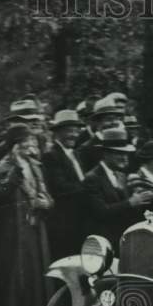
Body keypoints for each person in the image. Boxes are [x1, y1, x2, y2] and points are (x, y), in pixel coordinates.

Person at [0, 123, 54, 306]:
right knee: (17, 283)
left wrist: (46, 203)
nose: (30, 146)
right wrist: (15, 170)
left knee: (35, 281)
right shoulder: (4, 166)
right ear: (14, 144)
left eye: (31, 141)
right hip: (14, 234)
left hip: (35, 230)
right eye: (24, 141)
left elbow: (46, 195)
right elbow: (0, 194)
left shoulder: (35, 166)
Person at [82, 127, 153, 254]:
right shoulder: (92, 178)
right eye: (119, 153)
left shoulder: (122, 175)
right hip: (104, 244)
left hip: (124, 240)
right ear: (106, 154)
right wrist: (131, 202)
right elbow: (100, 212)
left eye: (126, 154)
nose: (125, 158)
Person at [41, 109, 89, 258]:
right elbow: (60, 187)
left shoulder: (76, 153)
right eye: (69, 131)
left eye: (76, 131)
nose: (74, 135)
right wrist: (90, 188)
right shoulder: (51, 156)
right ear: (57, 132)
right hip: (64, 221)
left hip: (80, 218)